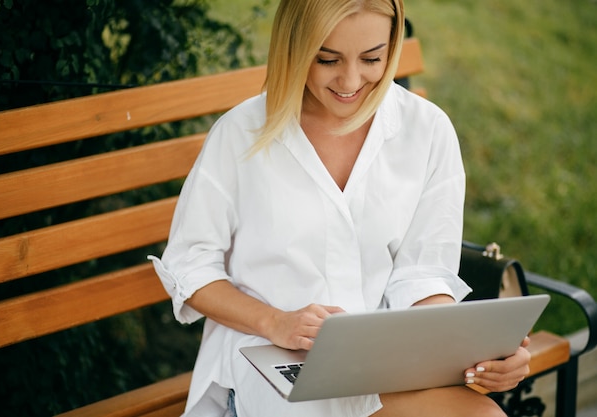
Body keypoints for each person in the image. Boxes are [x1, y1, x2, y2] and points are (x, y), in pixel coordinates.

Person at [149, 0, 531, 415]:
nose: (351, 80)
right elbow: (190, 265)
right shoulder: (241, 134)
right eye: (327, 58)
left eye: (372, 58)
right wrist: (276, 321)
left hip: (382, 361)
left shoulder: (426, 130)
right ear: (295, 48)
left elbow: (422, 274)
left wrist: (475, 356)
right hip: (269, 360)